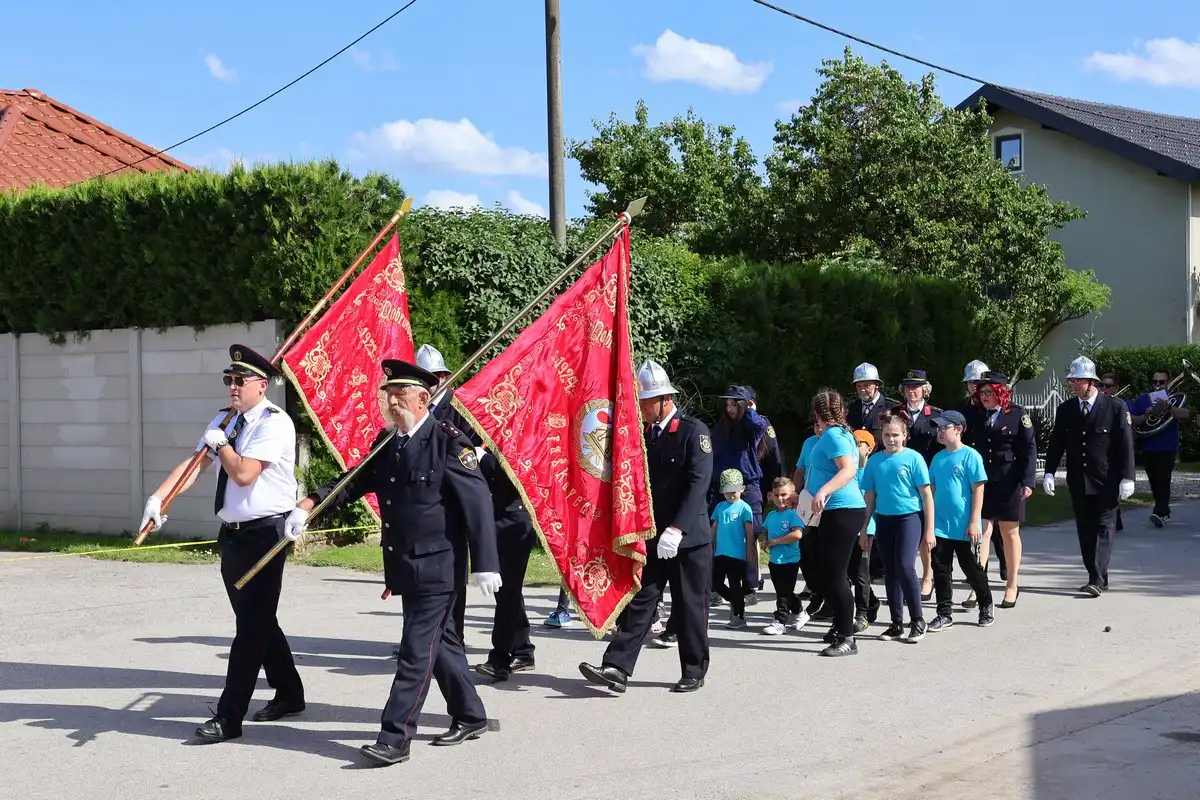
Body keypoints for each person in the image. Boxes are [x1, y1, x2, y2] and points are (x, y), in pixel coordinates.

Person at [288, 358, 501, 766]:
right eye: (389, 394)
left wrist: (486, 562)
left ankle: (395, 737)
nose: (392, 401)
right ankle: (471, 715)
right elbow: (354, 481)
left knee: (415, 652)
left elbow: (477, 503)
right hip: (405, 565)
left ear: (423, 398)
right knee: (442, 645)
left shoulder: (448, 442)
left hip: (439, 568)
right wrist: (311, 503)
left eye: (401, 393)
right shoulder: (389, 444)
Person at [139, 344, 305, 744]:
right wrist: (160, 498)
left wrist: (223, 445)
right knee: (257, 619)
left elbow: (244, 473)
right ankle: (290, 692)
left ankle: (230, 716)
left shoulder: (274, 423)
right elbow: (195, 465)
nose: (232, 386)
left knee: (250, 628)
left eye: (240, 380)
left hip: (266, 535)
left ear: (261, 385)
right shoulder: (224, 419)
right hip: (233, 535)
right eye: (228, 379)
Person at [579, 360, 714, 694]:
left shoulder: (693, 431)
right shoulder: (645, 435)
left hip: (687, 539)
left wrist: (677, 529)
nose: (639, 409)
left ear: (664, 399)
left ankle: (694, 670)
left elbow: (698, 485)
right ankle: (616, 667)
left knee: (689, 606)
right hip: (654, 536)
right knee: (640, 601)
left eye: (644, 402)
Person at [1043, 356, 1136, 598]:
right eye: (1071, 380)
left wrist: (1128, 477)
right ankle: (1097, 576)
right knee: (1085, 530)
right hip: (1078, 480)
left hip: (1106, 480)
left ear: (1091, 382)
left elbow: (1125, 444)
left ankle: (1096, 578)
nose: (1072, 384)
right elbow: (1056, 444)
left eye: (1077, 380)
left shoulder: (1115, 407)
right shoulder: (1066, 409)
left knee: (1104, 528)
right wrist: (1049, 472)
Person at [414, 343, 480, 648]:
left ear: (443, 377)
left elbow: (472, 449)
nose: (427, 384)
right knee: (419, 577)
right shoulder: (417, 409)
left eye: (432, 377)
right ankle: (423, 637)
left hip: (452, 501)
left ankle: (454, 638)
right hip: (423, 503)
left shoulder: (458, 407)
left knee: (450, 577)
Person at [859, 409, 934, 643]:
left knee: (904, 565)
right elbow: (870, 497)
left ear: (904, 436)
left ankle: (918, 620)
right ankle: (896, 623)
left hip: (909, 518)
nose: (891, 439)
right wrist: (864, 528)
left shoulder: (913, 458)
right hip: (884, 519)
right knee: (890, 571)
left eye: (895, 435)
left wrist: (929, 529)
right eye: (886, 435)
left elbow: (926, 495)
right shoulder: (875, 462)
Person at [804, 388, 868, 657]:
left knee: (835, 574)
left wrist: (823, 490)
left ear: (817, 413)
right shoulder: (836, 434)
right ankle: (839, 626)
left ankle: (847, 637)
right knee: (824, 570)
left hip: (842, 509)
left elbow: (849, 469)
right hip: (832, 510)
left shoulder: (833, 434)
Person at [969, 371, 1037, 608]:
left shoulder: (1017, 414)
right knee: (981, 532)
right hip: (983, 483)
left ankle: (1011, 585)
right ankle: (978, 586)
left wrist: (1028, 481)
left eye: (989, 392)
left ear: (1001, 393)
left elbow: (1029, 449)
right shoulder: (977, 415)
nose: (984, 396)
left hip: (1010, 482)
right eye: (982, 392)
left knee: (1009, 532)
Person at [472, 447, 537, 681]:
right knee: (506, 591)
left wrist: (485, 460)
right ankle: (523, 649)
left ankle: (499, 658)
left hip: (516, 520)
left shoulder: (524, 434)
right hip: (493, 517)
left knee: (508, 589)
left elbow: (519, 471)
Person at [925, 410, 994, 631]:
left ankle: (986, 603)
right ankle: (944, 613)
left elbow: (978, 490)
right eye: (938, 428)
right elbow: (931, 491)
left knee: (971, 568)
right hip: (941, 526)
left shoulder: (970, 456)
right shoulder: (938, 458)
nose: (940, 432)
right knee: (940, 569)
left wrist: (974, 522)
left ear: (959, 429)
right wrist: (929, 524)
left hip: (964, 526)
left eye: (944, 427)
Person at [710, 385, 769, 605]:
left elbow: (760, 427)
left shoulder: (750, 424)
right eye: (727, 404)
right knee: (719, 535)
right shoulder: (721, 427)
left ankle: (750, 586)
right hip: (723, 488)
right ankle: (717, 586)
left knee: (749, 535)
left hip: (747, 486)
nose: (730, 408)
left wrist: (751, 410)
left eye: (735, 404)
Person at [1129, 368, 1189, 527]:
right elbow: (1132, 419)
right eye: (1155, 382)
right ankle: (1164, 511)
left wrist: (1169, 408)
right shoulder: (1143, 399)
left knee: (1163, 479)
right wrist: (1146, 414)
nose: (1158, 385)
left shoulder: (1175, 398)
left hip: (1167, 446)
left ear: (1167, 383)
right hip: (1148, 446)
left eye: (1161, 382)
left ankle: (1159, 512)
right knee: (1154, 481)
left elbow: (1185, 414)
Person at [709, 468, 756, 628]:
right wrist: (708, 544)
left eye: (733, 491)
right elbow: (714, 527)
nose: (730, 495)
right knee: (715, 583)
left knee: (735, 584)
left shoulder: (744, 508)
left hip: (737, 554)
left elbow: (749, 531)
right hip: (720, 553)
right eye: (727, 492)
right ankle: (736, 602)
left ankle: (739, 616)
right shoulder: (720, 507)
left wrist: (749, 549)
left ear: (742, 489)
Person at [760, 477, 806, 635]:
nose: (780, 498)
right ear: (771, 495)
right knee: (784, 591)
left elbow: (797, 534)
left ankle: (780, 621)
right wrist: (765, 541)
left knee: (783, 594)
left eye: (784, 495)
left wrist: (776, 541)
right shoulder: (771, 515)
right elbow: (765, 531)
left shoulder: (793, 514)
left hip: (790, 560)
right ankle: (800, 611)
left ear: (792, 494)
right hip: (774, 560)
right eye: (776, 495)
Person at [848, 429, 880, 629]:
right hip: (846, 525)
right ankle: (872, 602)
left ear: (869, 449)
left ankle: (862, 614)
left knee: (860, 573)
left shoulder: (872, 470)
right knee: (849, 572)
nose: (855, 447)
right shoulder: (846, 468)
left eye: (859, 444)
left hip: (866, 528)